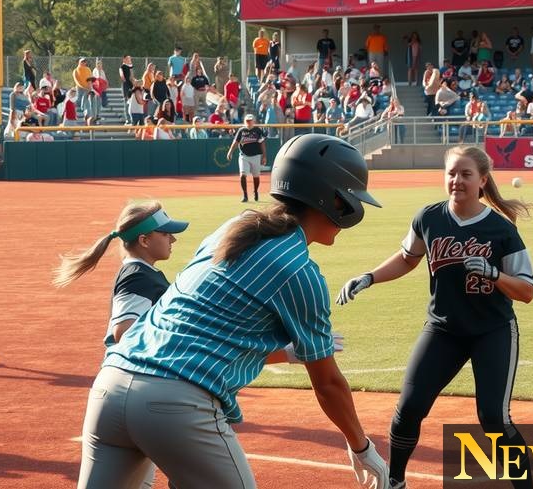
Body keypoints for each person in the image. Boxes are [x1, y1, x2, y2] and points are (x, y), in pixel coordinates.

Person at [75, 134, 387, 489]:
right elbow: (328, 384)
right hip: (176, 404)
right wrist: (361, 447)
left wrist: (283, 353)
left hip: (110, 386)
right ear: (334, 200)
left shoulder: (233, 228)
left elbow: (205, 328)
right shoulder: (299, 269)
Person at [337, 145, 533, 489]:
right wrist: (368, 276)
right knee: (409, 408)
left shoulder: (500, 230)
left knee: (493, 418)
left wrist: (494, 275)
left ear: (482, 180)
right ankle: (394, 481)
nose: (457, 180)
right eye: (451, 173)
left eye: (465, 174)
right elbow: (407, 258)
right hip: (444, 328)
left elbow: (527, 291)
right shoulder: (428, 217)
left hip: (492, 330)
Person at [56, 201, 190, 489]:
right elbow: (125, 331)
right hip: (136, 393)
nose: (173, 239)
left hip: (128, 394)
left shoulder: (145, 274)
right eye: (165, 234)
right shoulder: (137, 277)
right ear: (144, 240)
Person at [227, 114, 267, 202]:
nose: (248, 122)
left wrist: (264, 156)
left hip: (256, 155)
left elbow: (262, 143)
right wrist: (230, 152)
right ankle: (245, 195)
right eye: (247, 121)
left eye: (250, 120)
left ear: (254, 121)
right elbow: (236, 142)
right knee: (242, 174)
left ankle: (255, 191)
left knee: (256, 176)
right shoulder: (241, 130)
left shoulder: (258, 130)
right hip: (244, 156)